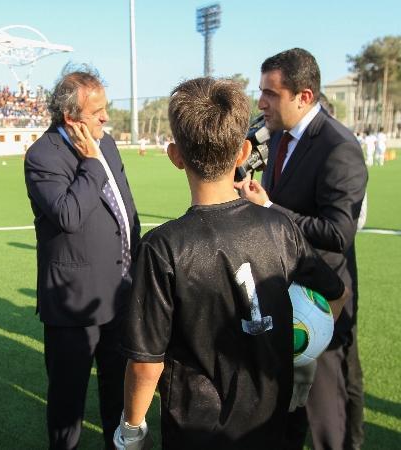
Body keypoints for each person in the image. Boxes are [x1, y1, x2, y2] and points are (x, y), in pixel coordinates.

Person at [114, 77, 350, 450]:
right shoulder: (280, 227)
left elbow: (146, 363)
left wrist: (132, 429)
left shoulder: (162, 248)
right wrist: (304, 356)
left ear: (175, 156)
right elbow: (336, 293)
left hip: (198, 433)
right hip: (270, 426)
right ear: (243, 153)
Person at [236, 48, 368, 450]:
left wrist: (270, 208)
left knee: (328, 411)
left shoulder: (337, 146)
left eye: (270, 93)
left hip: (323, 300)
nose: (261, 102)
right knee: (287, 409)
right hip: (284, 291)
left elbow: (338, 233)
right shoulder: (278, 135)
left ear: (304, 96)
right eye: (261, 92)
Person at [24, 66, 141, 450]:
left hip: (120, 292)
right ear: (71, 118)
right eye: (97, 112)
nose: (106, 117)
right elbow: (69, 215)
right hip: (73, 303)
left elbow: (125, 207)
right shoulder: (43, 155)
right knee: (67, 401)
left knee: (118, 393)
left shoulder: (107, 143)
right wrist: (91, 163)